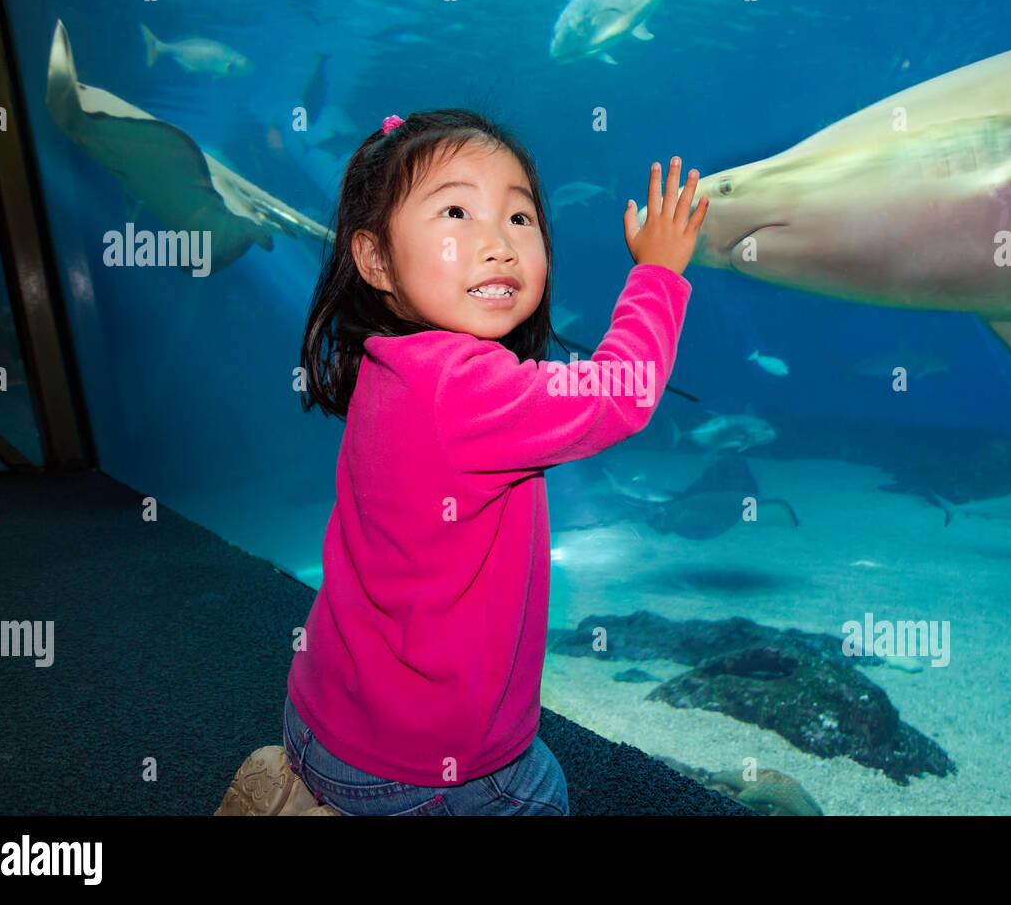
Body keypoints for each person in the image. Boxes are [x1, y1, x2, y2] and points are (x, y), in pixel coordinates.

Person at [271, 107, 703, 815]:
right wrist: (656, 273)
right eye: (456, 213)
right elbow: (621, 393)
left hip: (323, 715)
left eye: (520, 219)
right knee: (540, 794)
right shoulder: (461, 389)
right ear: (375, 258)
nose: (498, 243)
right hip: (421, 763)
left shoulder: (391, 364)